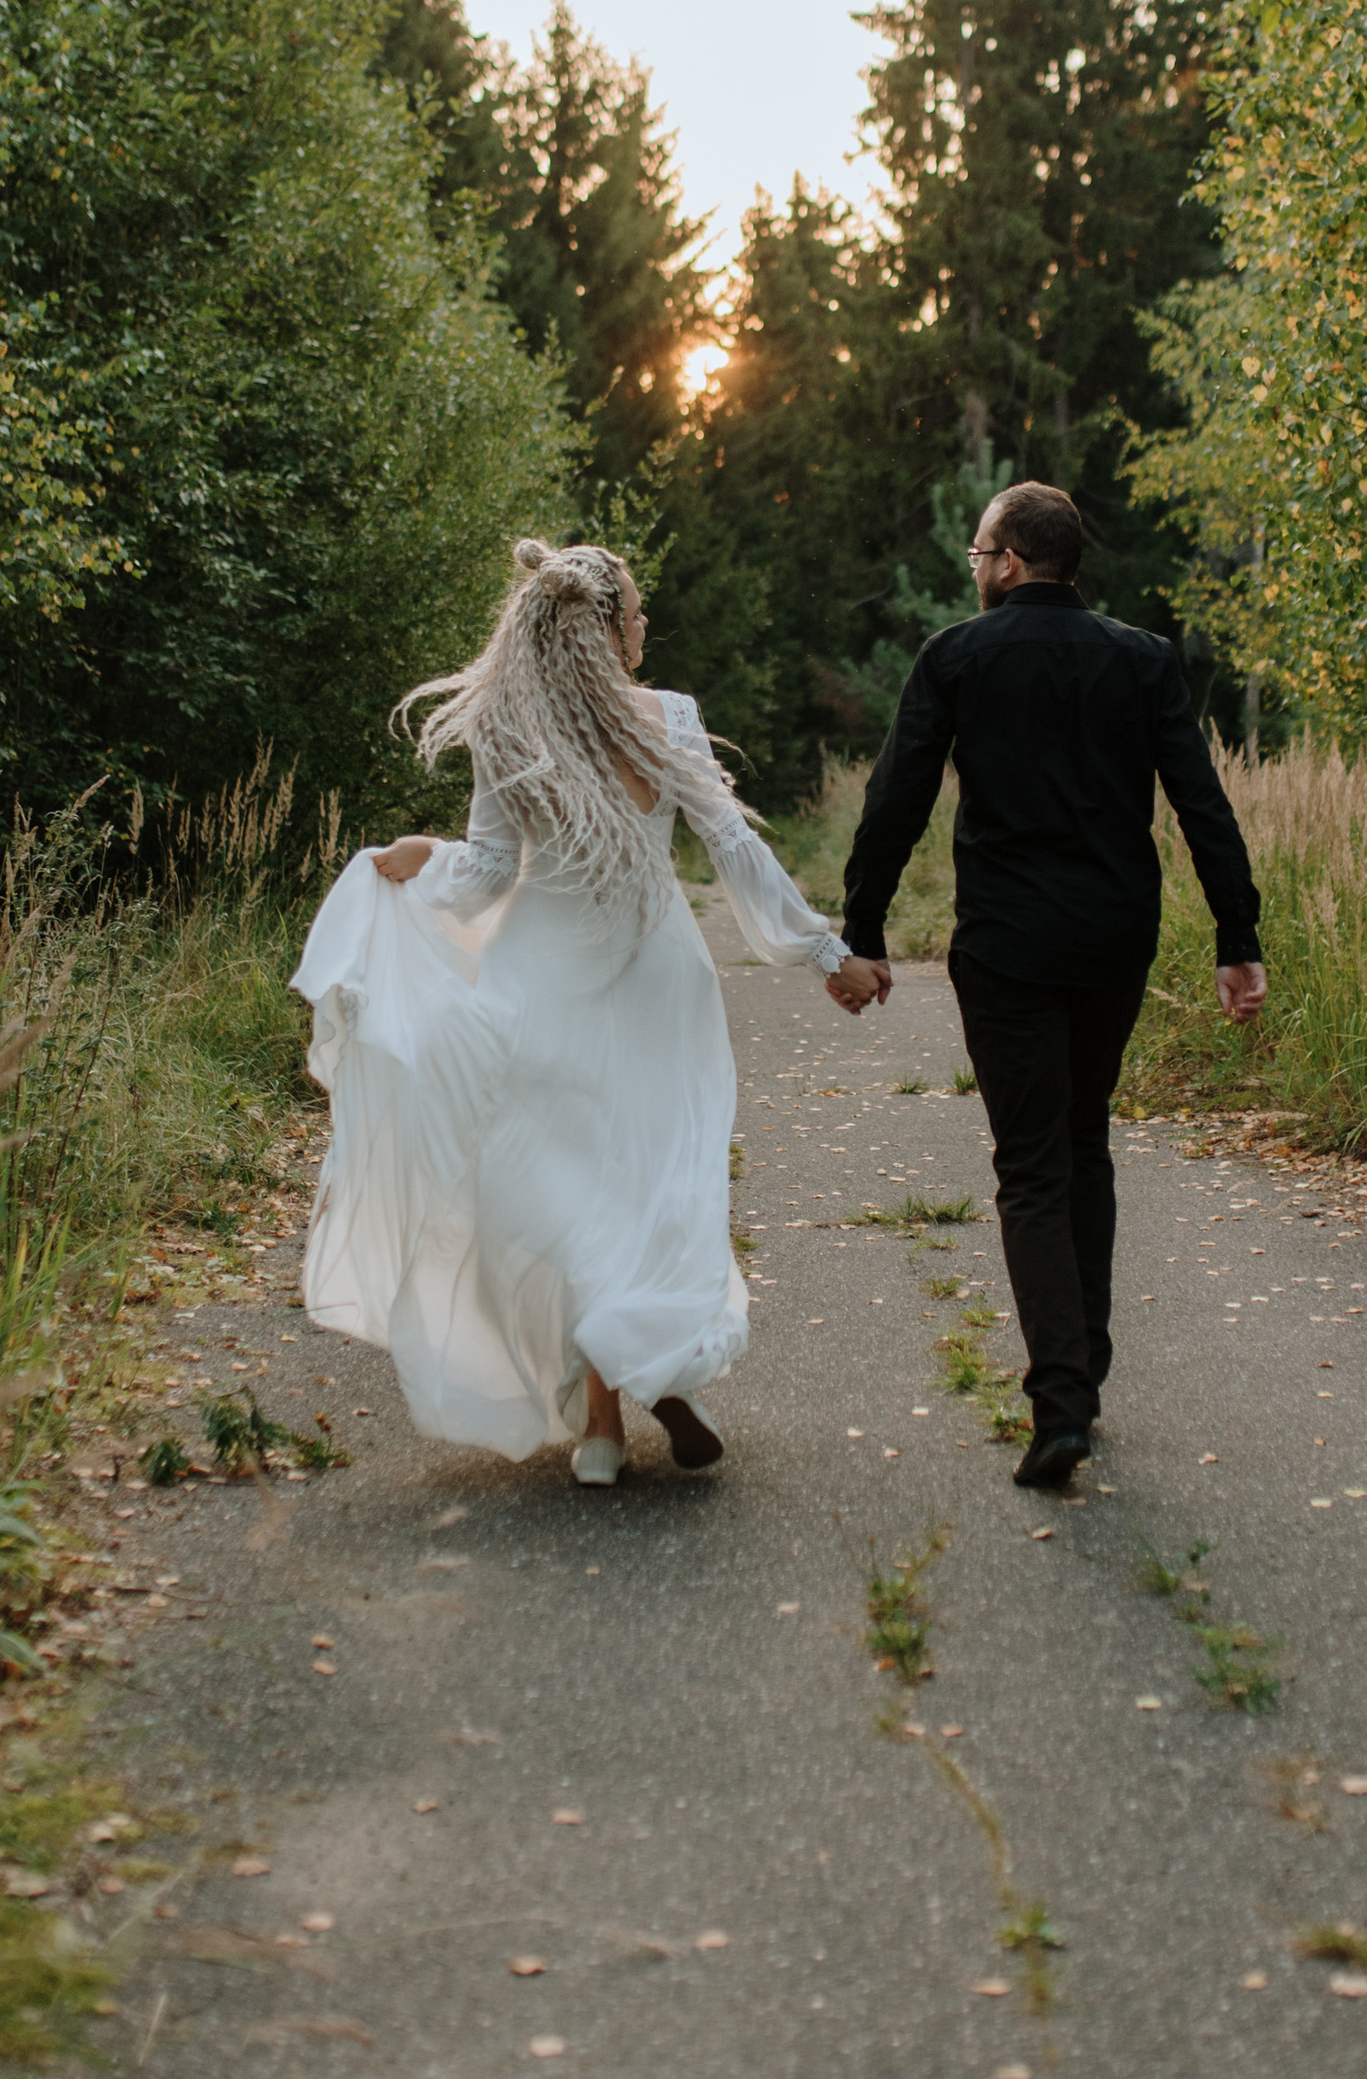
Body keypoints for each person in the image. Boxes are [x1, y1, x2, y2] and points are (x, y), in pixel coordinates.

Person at [290, 538, 886, 1485]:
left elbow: (488, 875)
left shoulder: (506, 728)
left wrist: (424, 861)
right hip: (657, 977)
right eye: (636, 613)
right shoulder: (670, 718)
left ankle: (603, 1429)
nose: (646, 626)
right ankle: (649, 1362)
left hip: (542, 981)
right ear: (604, 630)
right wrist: (825, 952)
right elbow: (732, 845)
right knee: (651, 1185)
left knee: (560, 1195)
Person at [840, 480, 1267, 1491]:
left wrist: (862, 926)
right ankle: (1086, 1371)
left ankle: (1062, 1402)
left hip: (1008, 947)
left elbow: (897, 795)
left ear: (1011, 562)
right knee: (1082, 1142)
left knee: (1031, 1165)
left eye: (978, 554)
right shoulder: (1142, 659)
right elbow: (1200, 802)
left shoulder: (956, 656)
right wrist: (1235, 935)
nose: (974, 570)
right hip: (1114, 939)